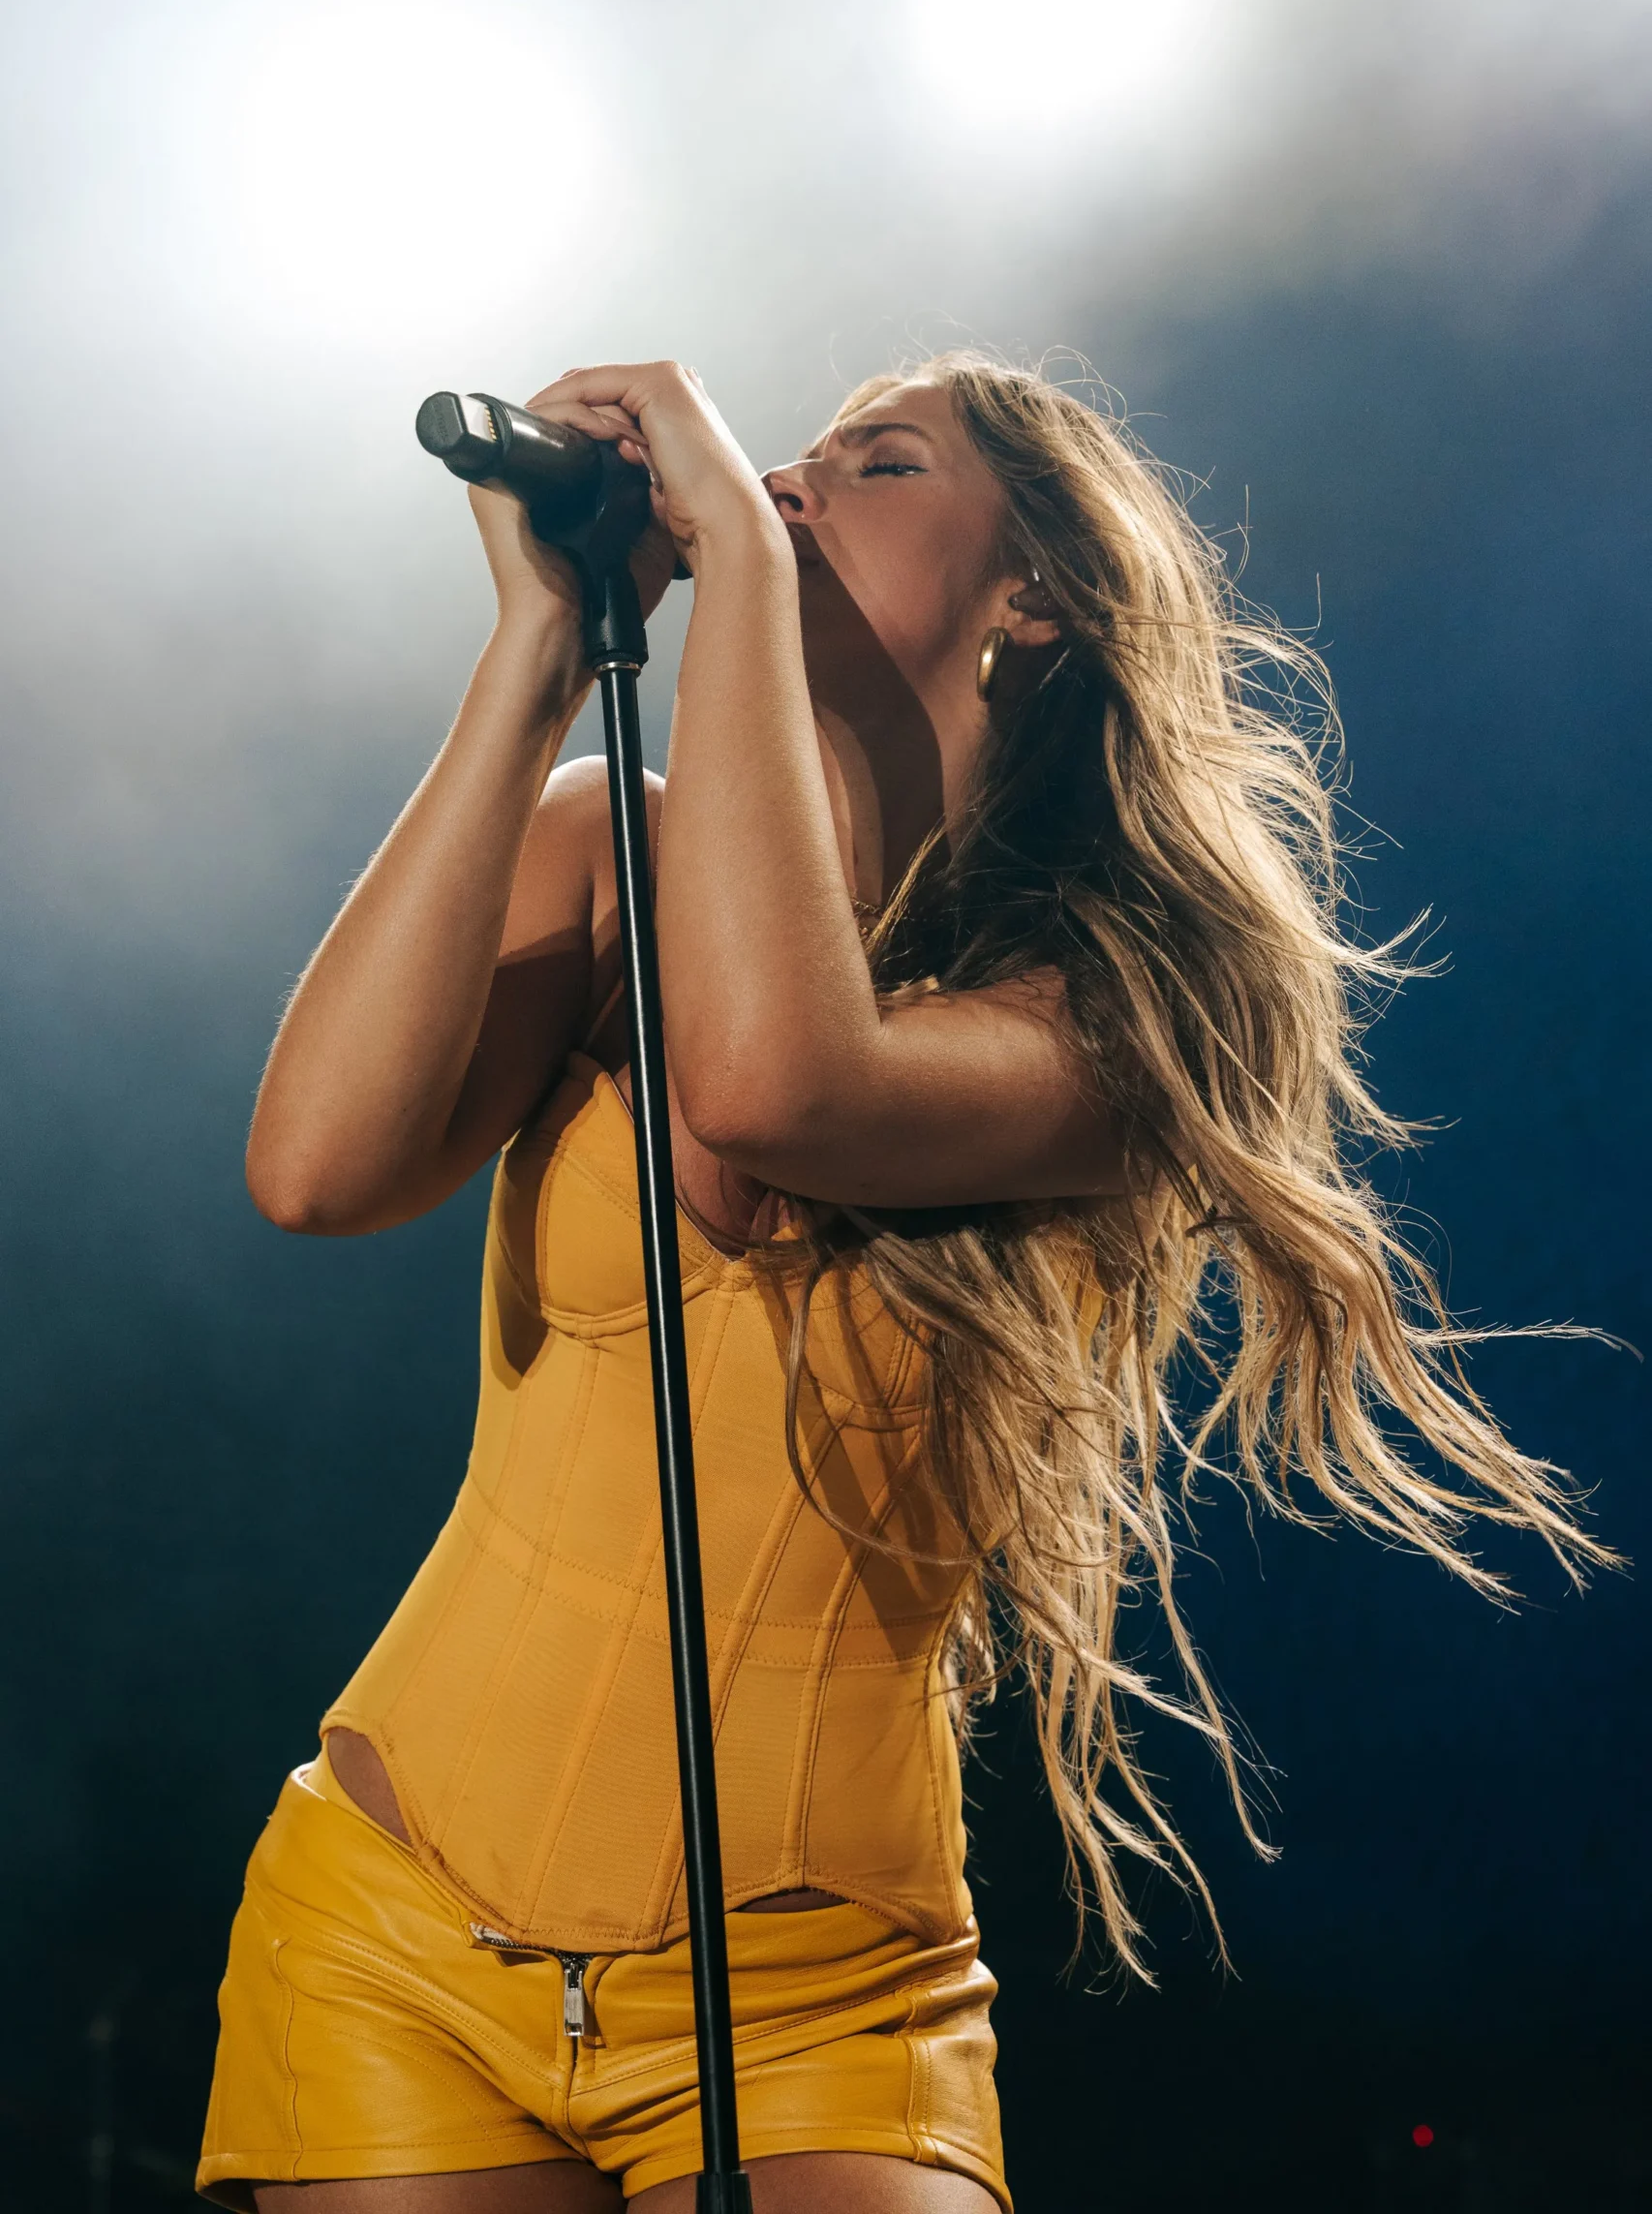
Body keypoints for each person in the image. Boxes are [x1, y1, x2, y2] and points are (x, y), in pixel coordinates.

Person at [197, 354, 1602, 2213]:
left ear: (1038, 593)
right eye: (795, 455)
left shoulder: (1132, 1008)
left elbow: (778, 1085)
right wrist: (535, 655)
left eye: (879, 461)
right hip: (388, 1927)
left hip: (820, 1997)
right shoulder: (604, 852)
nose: (789, 478)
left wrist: (736, 571)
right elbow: (313, 1173)